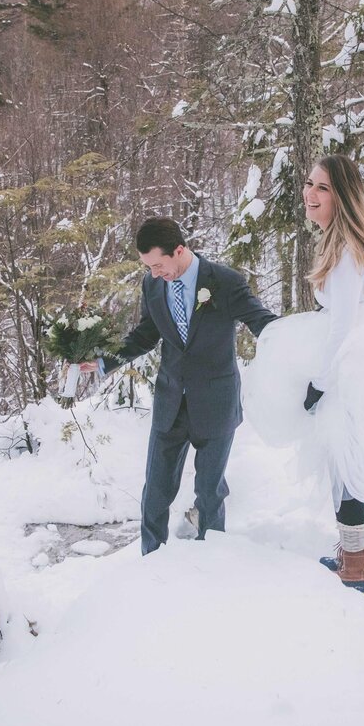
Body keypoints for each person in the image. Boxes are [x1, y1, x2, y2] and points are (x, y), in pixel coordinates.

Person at [245, 155, 364, 596]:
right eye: (309, 184)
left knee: (346, 467)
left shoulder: (346, 252)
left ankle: (355, 568)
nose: (310, 194)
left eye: (322, 187)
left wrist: (320, 384)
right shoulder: (355, 245)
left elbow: (342, 326)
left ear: (342, 196)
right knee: (359, 462)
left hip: (351, 369)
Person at [85, 217, 277, 555]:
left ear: (179, 250)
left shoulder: (225, 281)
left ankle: (210, 560)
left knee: (209, 491)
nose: (155, 273)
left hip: (216, 402)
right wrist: (103, 362)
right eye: (149, 267)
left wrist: (298, 345)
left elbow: (262, 322)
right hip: (170, 401)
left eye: (159, 264)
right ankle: (152, 560)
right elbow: (145, 334)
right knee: (156, 491)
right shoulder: (153, 284)